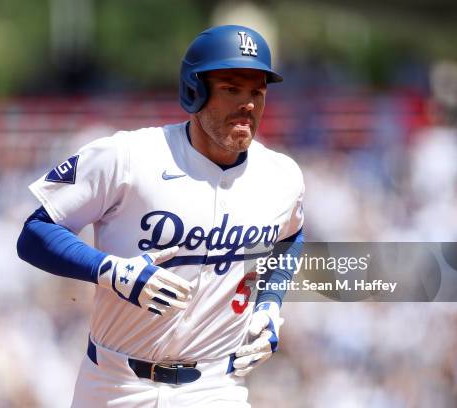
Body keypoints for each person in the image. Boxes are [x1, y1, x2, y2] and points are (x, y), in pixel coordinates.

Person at [17, 24, 304, 408]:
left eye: (257, 90)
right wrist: (110, 270)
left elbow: (290, 238)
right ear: (194, 91)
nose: (248, 104)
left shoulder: (282, 177)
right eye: (232, 88)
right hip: (115, 384)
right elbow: (35, 232)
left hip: (215, 387)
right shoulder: (128, 157)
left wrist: (269, 303)